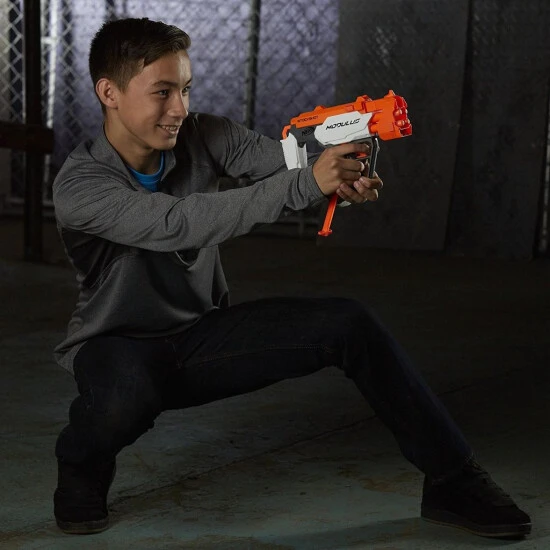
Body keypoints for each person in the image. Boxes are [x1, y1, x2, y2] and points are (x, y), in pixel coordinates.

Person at [52, 17, 530, 539]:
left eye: (186, 89)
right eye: (162, 92)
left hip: (200, 338)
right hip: (116, 343)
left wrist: (339, 171)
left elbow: (284, 160)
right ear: (109, 93)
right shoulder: (81, 185)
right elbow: (178, 223)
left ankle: (453, 479)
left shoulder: (204, 133)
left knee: (349, 323)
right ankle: (82, 465)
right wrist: (306, 184)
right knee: (122, 393)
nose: (180, 109)